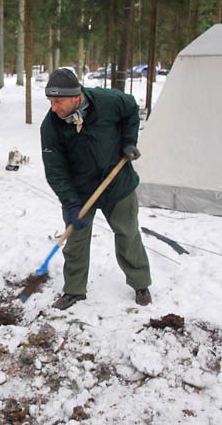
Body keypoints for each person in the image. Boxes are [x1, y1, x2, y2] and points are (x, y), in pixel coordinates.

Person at [40, 68, 152, 310]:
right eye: (50, 101)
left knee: (128, 234)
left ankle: (141, 283)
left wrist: (128, 141)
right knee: (76, 241)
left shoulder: (108, 102)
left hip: (117, 182)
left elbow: (131, 110)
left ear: (76, 97)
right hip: (79, 192)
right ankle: (74, 290)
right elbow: (55, 170)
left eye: (58, 101)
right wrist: (70, 202)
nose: (53, 107)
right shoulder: (51, 126)